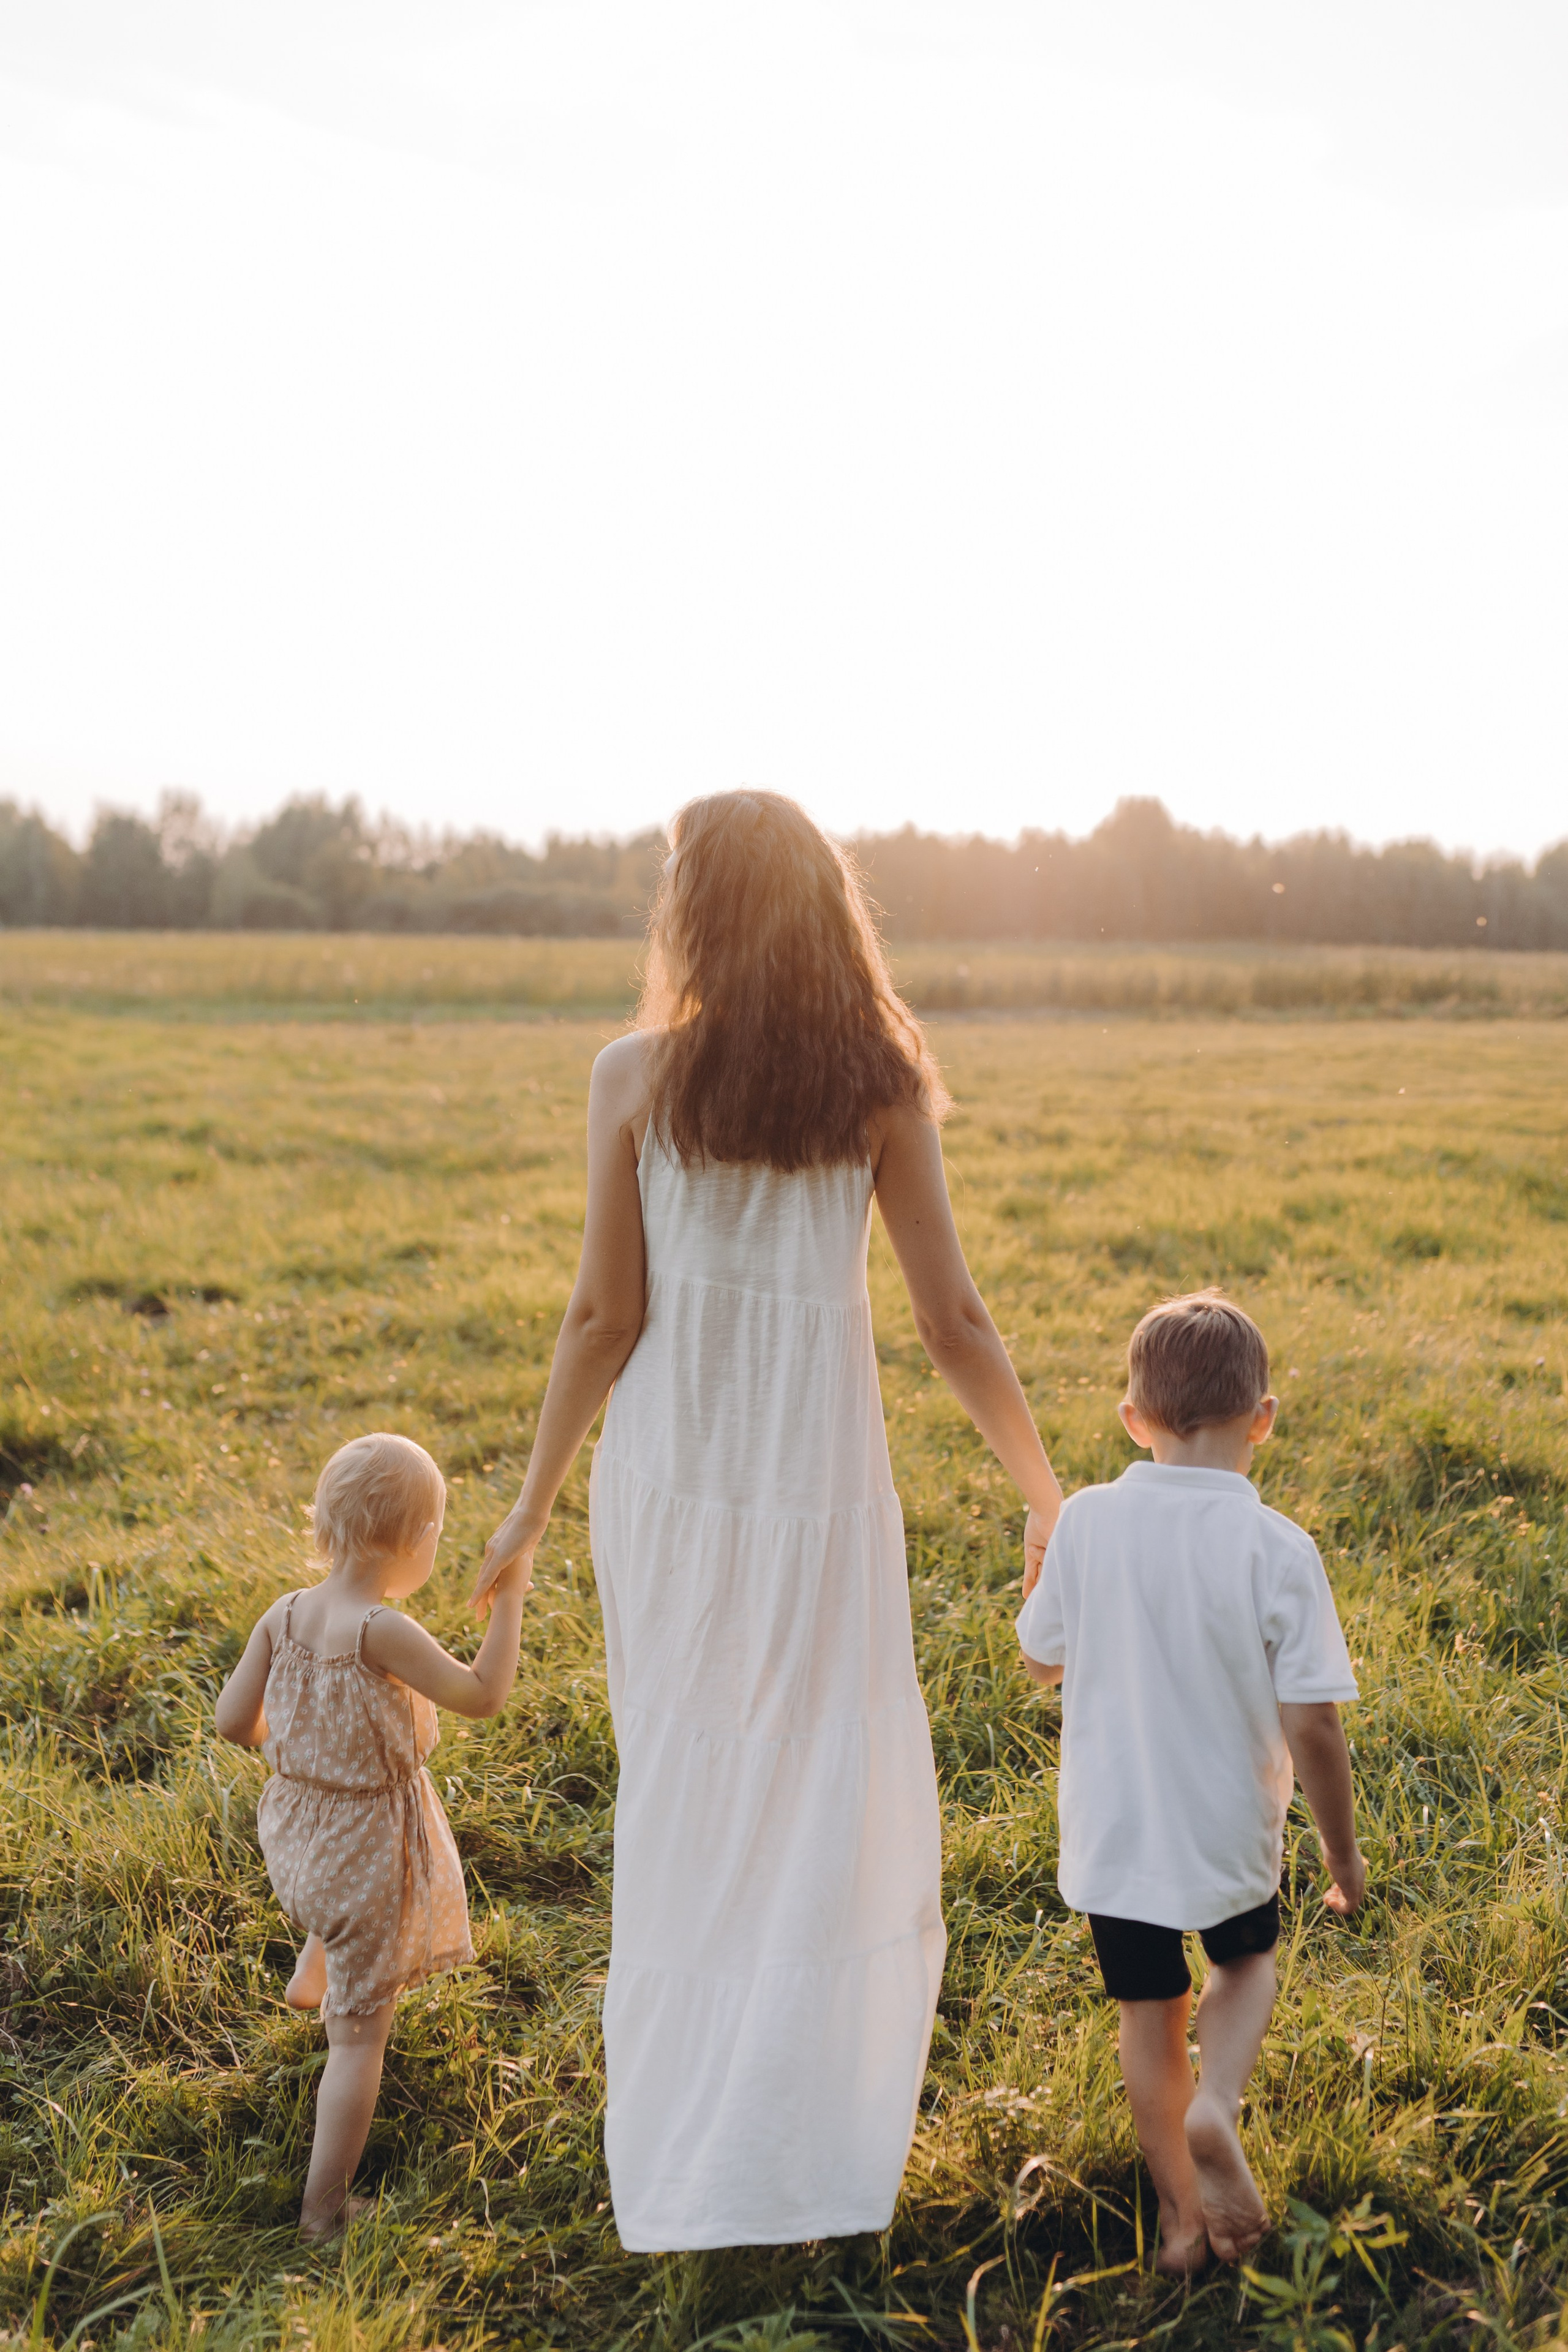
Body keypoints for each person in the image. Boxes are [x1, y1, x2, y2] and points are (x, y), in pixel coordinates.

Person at [472, 789, 1062, 2250]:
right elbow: (954, 1320)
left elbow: (604, 1318)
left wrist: (530, 1509)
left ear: (698, 912)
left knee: (685, 1789)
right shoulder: (876, 1081)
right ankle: (802, 2149)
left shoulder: (631, 1074)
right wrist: (1048, 1496)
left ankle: (698, 2147)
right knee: (815, 1801)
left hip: (670, 1487)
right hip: (814, 1497)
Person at [1017, 1292, 1365, 2273]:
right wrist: (1343, 1857)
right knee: (1243, 1965)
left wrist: (1035, 1569)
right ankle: (1219, 2105)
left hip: (1114, 1840)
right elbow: (1317, 1727)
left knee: (1147, 2014)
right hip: (1227, 1838)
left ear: (1133, 1420)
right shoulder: (1278, 1549)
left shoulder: (1085, 1521)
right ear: (1264, 1417)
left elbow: (1042, 1658)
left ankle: (1179, 2220)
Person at [215, 1431, 530, 2238]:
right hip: (367, 1853)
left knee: (337, 1913)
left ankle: (312, 1975)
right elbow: (484, 1694)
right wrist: (514, 1588)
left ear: (323, 1523)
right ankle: (324, 2209)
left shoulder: (282, 1615)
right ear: (419, 1543)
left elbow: (230, 1723)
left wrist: (300, 1748)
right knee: (360, 2043)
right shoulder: (382, 1632)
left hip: (295, 1836)